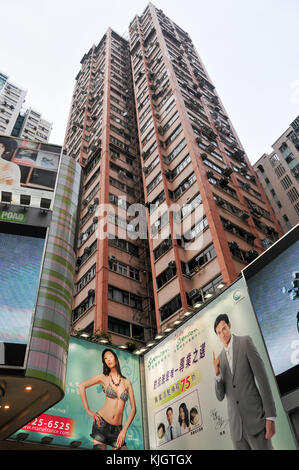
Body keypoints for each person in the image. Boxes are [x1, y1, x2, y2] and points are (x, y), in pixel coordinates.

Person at [212, 314, 277, 450]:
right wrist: (217, 373)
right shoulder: (220, 359)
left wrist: (270, 417)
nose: (222, 334)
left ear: (229, 326)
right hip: (237, 431)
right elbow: (220, 396)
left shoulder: (245, 342)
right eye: (219, 332)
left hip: (256, 421)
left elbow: (262, 379)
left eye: (224, 329)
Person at [78, 348, 136, 450]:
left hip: (118, 430)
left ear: (116, 359)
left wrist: (124, 430)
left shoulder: (127, 383)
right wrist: (88, 410)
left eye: (110, 356)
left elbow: (133, 409)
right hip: (101, 424)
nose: (108, 360)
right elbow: (81, 386)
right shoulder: (103, 377)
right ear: (104, 362)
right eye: (105, 358)